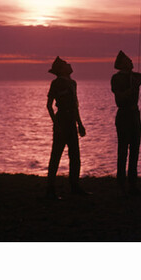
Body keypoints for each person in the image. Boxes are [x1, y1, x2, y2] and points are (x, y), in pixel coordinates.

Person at [110, 49, 141, 195]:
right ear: (122, 64)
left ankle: (133, 184)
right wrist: (131, 89)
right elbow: (118, 96)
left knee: (135, 150)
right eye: (128, 60)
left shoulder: (136, 76)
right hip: (123, 115)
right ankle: (121, 184)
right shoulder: (116, 78)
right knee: (123, 150)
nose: (131, 61)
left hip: (134, 115)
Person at [46, 56, 88, 199]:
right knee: (56, 155)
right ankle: (50, 188)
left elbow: (75, 105)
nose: (69, 65)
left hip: (71, 121)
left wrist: (80, 124)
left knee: (75, 155)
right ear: (62, 70)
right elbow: (49, 106)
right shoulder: (56, 83)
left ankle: (74, 186)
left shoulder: (73, 83)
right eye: (65, 64)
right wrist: (56, 124)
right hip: (62, 120)